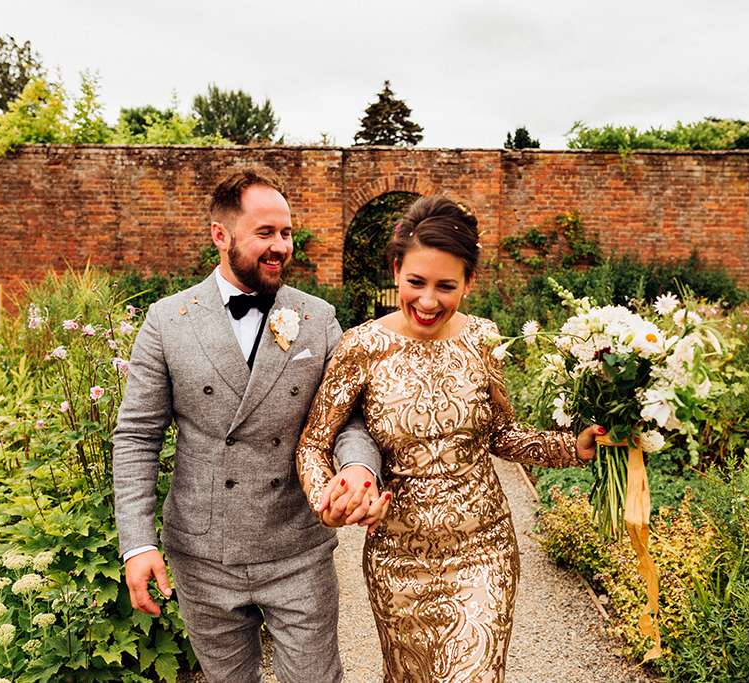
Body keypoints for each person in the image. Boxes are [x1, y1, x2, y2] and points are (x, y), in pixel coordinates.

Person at [296, 195, 602, 682]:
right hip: (397, 559)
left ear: (469, 282)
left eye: (446, 286)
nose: (428, 301)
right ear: (396, 270)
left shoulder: (483, 339)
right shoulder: (362, 346)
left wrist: (571, 447)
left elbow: (501, 433)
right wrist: (325, 499)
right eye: (416, 282)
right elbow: (314, 443)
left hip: (483, 549)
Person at [113, 167, 383, 683]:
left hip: (297, 548)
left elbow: (348, 417)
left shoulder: (318, 318)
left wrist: (357, 469)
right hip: (203, 554)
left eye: (286, 232)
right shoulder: (167, 321)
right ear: (221, 235)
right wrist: (139, 543)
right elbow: (137, 438)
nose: (281, 246)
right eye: (265, 233)